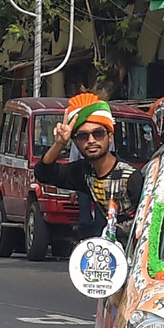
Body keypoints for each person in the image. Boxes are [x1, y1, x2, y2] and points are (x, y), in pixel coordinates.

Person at [35, 93, 143, 244]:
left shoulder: (131, 177)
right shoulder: (85, 172)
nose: (91, 141)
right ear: (75, 142)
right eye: (83, 136)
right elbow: (43, 173)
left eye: (98, 133)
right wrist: (59, 144)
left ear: (110, 137)